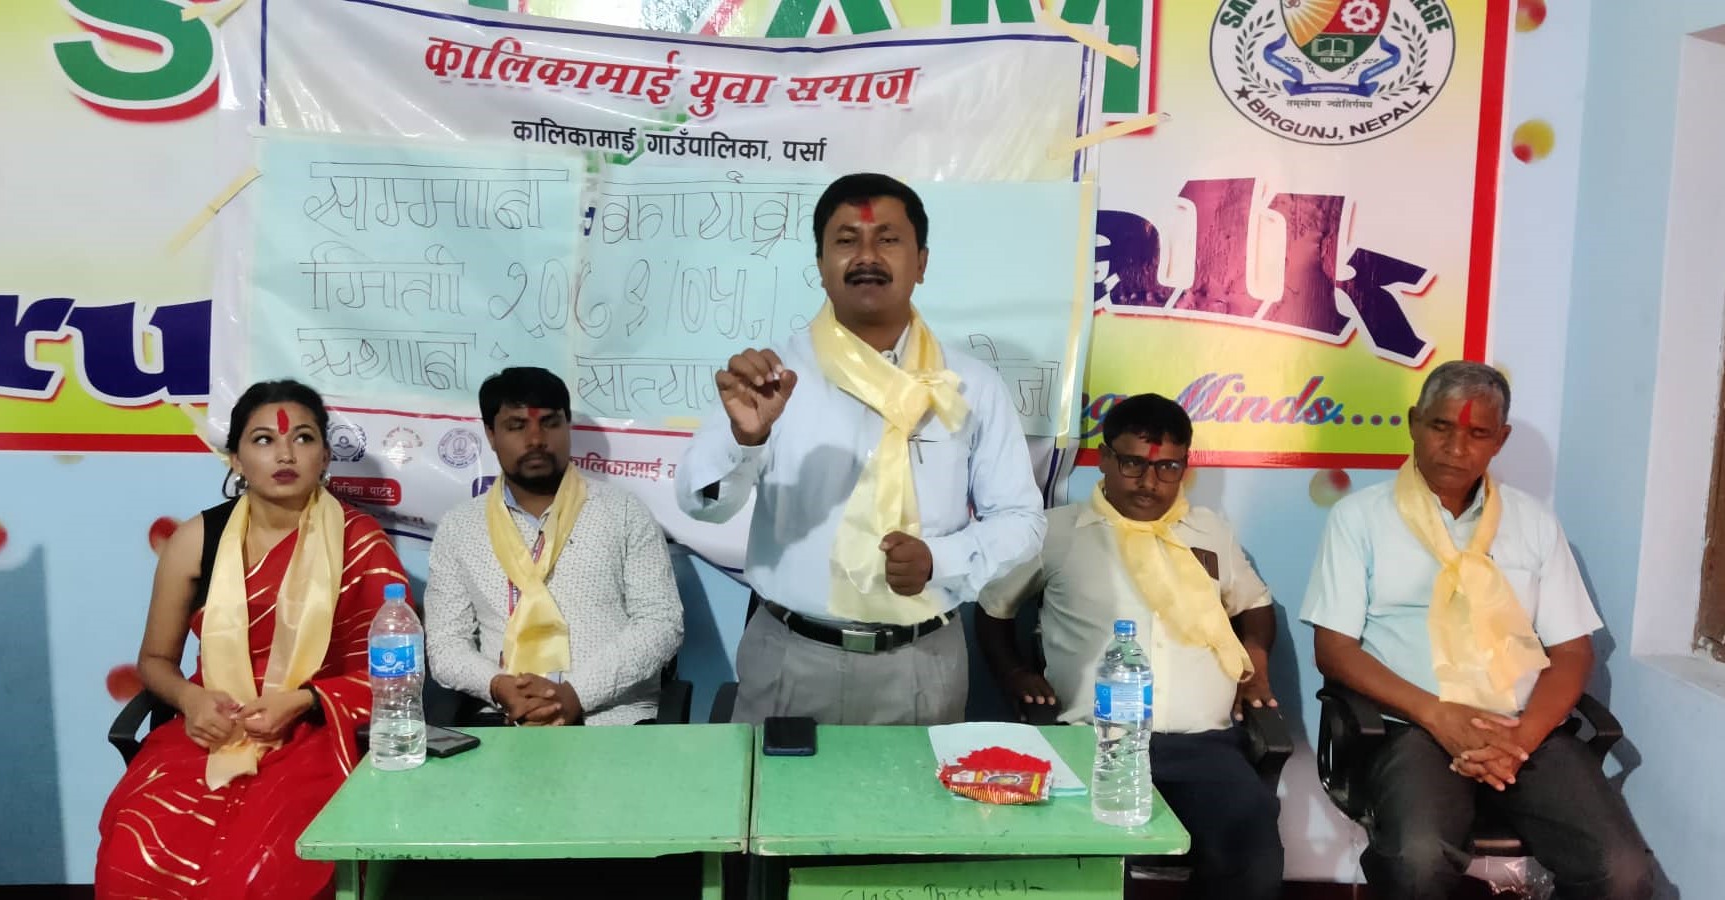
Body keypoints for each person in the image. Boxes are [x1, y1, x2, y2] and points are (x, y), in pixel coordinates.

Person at [677, 172, 1045, 725]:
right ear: (821, 264)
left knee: (918, 789)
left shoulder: (972, 385)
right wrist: (745, 439)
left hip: (923, 662)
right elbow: (702, 504)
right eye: (847, 240)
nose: (866, 256)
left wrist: (938, 560)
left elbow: (1022, 521)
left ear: (921, 262)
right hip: (792, 658)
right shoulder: (769, 377)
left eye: (888, 239)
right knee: (775, 788)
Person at [1301, 360, 1654, 900]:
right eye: (1440, 426)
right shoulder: (1360, 519)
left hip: (1524, 732)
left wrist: (1520, 739)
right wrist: (1438, 715)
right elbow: (1334, 649)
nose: (1455, 447)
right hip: (1414, 727)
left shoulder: (1533, 524)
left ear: (1500, 440)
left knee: (1622, 870)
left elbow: (1572, 651)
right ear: (1414, 423)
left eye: (1477, 433)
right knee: (1417, 861)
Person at [96, 380, 409, 898]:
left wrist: (303, 700)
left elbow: (395, 673)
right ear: (236, 460)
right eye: (263, 440)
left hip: (316, 730)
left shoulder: (359, 543)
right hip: (211, 727)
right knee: (136, 845)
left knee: (264, 862)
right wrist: (191, 700)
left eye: (303, 438)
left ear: (325, 456)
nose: (285, 454)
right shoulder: (197, 539)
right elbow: (154, 660)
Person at [978, 393, 1283, 900]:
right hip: (1091, 744)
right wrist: (1014, 674)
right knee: (1080, 871)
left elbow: (1255, 604)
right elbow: (993, 608)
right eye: (1133, 464)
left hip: (1203, 746)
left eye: (1167, 467)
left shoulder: (1209, 532)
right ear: (1104, 458)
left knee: (1252, 851)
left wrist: (1257, 664)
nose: (1149, 482)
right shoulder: (1057, 533)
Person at [424, 367, 682, 726]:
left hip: (611, 721)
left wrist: (576, 695)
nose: (536, 439)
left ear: (568, 426)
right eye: (516, 426)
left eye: (550, 423)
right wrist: (498, 686)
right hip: (505, 719)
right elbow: (446, 645)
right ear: (491, 435)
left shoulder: (623, 512)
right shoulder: (459, 528)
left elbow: (662, 623)